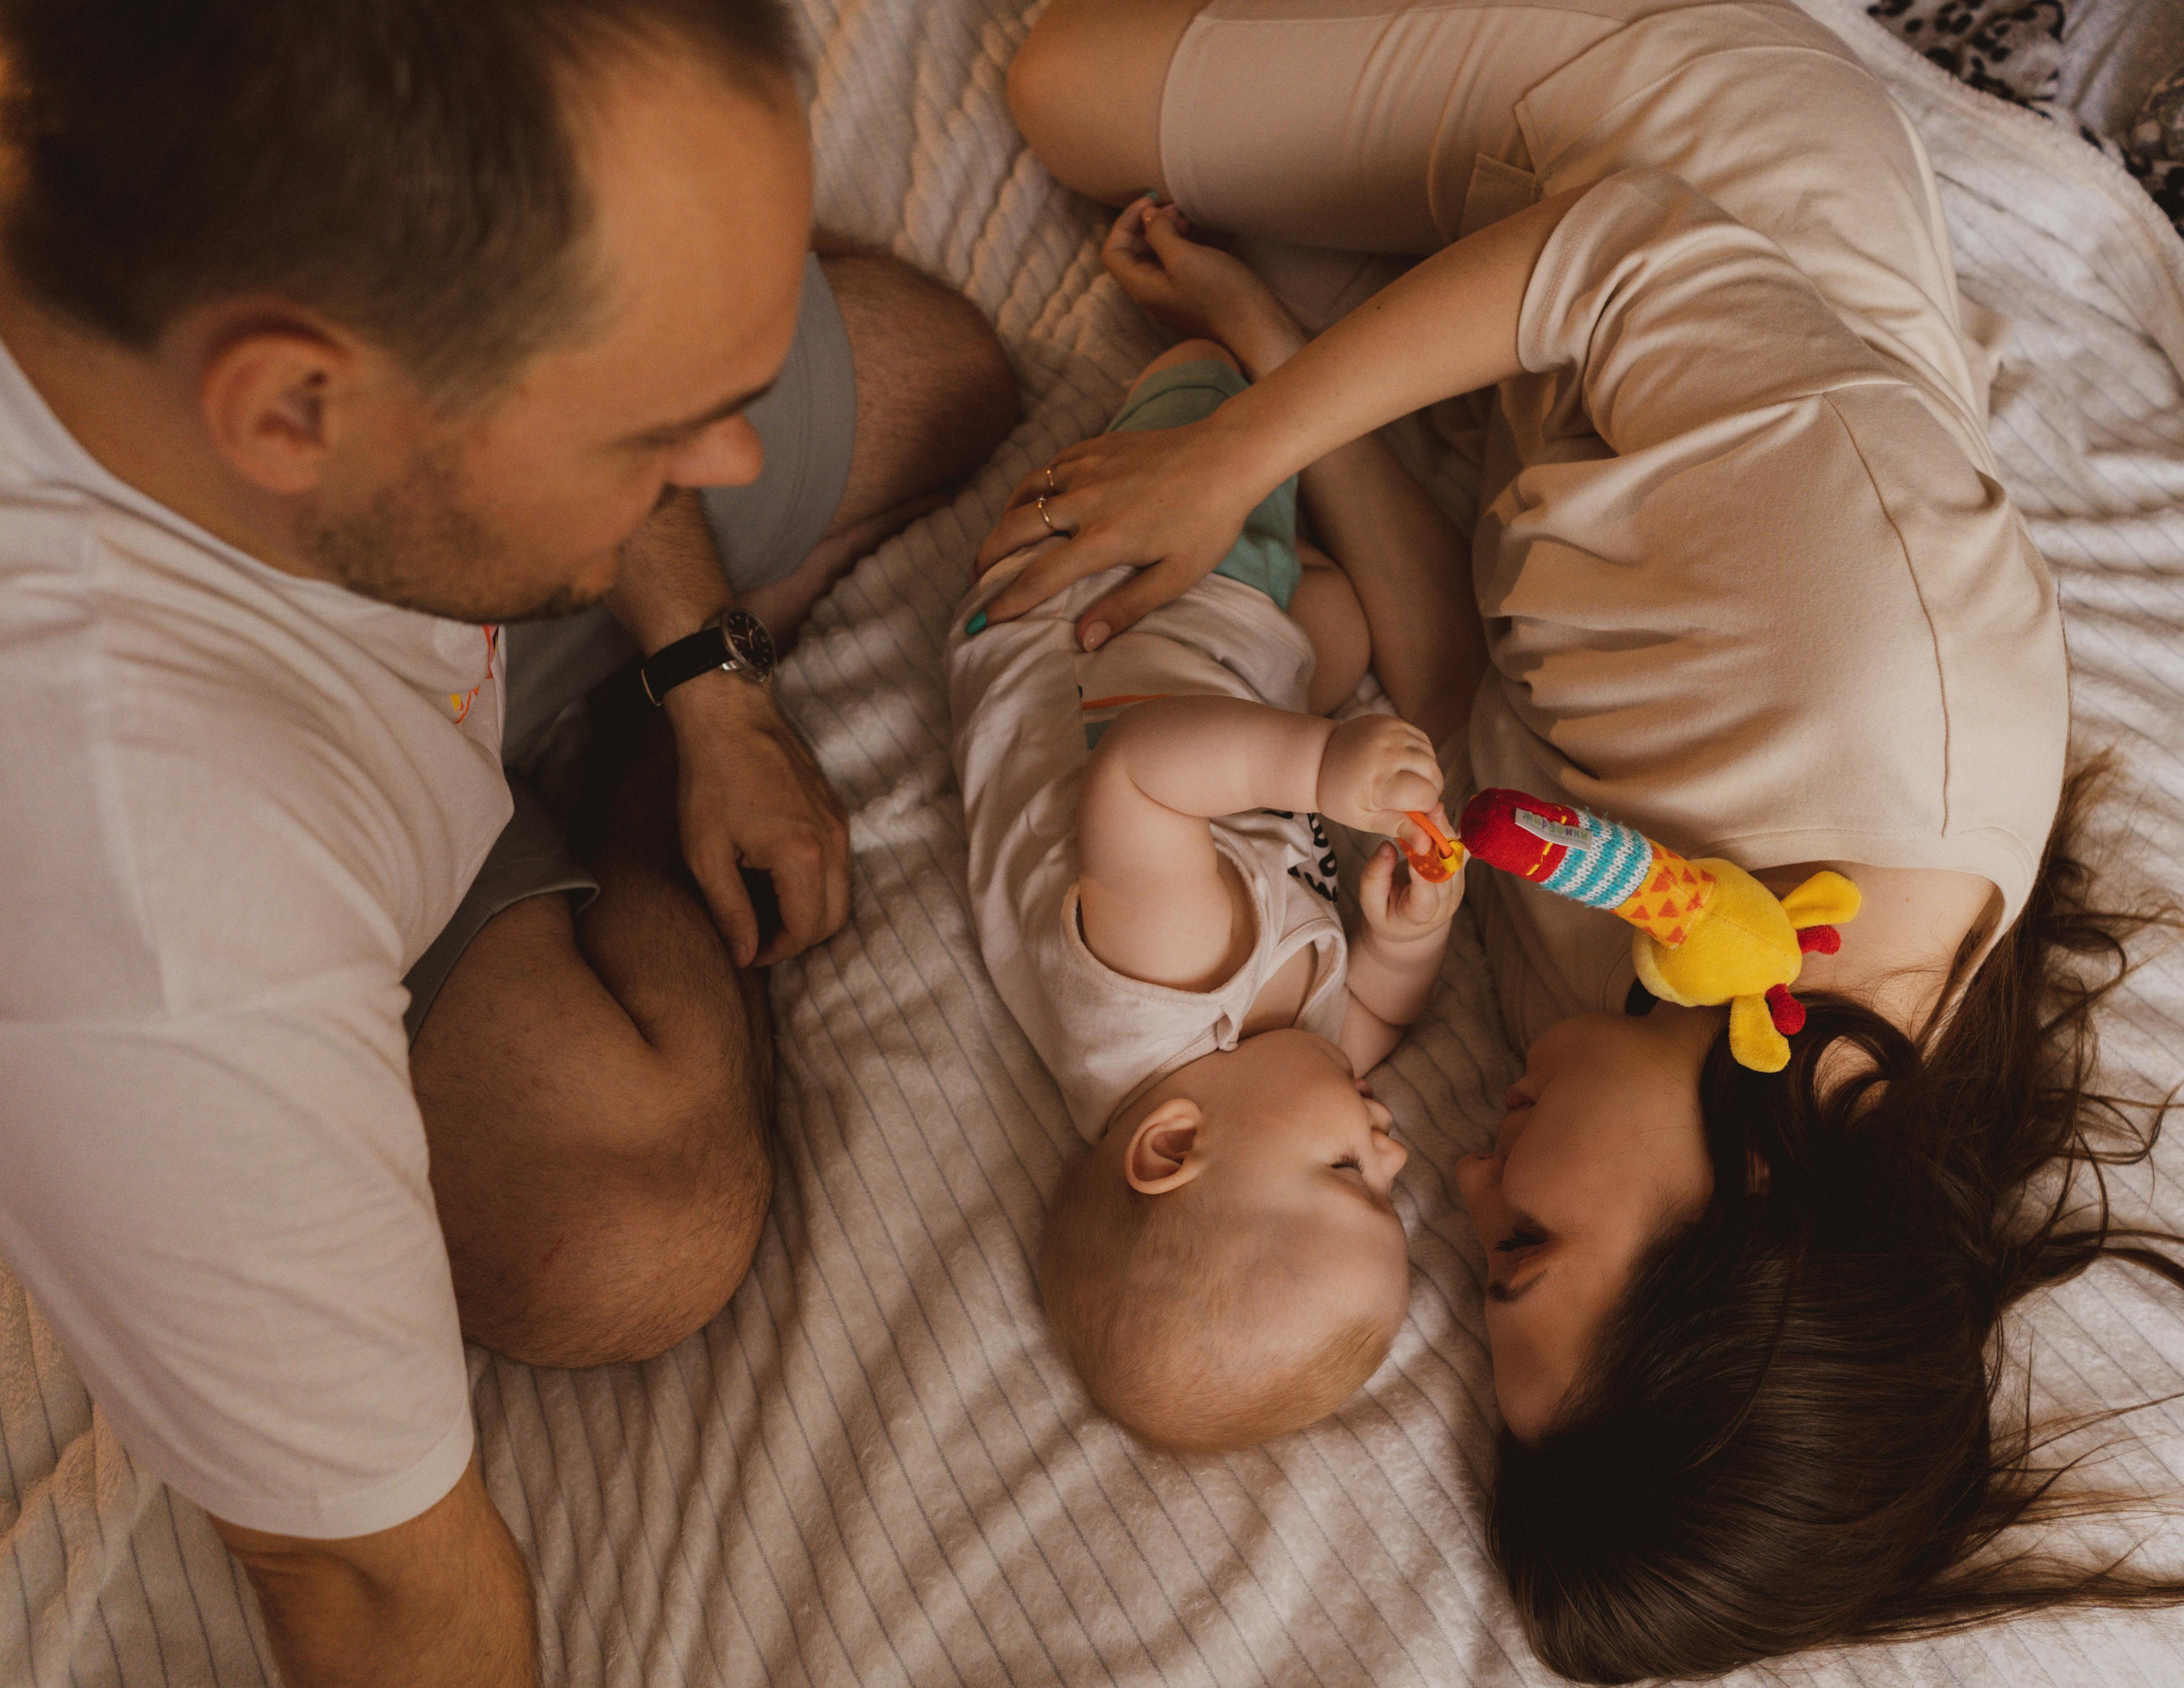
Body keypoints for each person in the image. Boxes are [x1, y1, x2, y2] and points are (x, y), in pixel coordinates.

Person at [989, 0, 2184, 1677]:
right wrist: (1234, 459)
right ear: (1751, 1197)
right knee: (1055, 91)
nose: (1464, 1174)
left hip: (1564, 380)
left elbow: (1469, 686)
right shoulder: (1863, 691)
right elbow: (1625, 249)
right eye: (1521, 1248)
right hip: (1656, 152)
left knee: (1186, 171)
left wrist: (1270, 350)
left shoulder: (1696, 1042)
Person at [0, 2, 1014, 1685]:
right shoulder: (152, 921)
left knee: (937, 375)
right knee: (626, 1234)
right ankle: (589, 762)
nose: (734, 454)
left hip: (407, 609)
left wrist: (709, 680)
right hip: (294, 794)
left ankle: (601, 643)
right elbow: (381, 1596)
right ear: (297, 404)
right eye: (650, 425)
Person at [951, 195, 1477, 1451]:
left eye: (1350, 1179)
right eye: (1386, 1188)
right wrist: (1407, 933)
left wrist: (1326, 769)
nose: (1397, 1160)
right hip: (1251, 667)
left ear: (1174, 1142)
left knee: (1199, 378)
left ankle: (1246, 335)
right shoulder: (1278, 1073)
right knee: (1415, 654)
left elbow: (1138, 777)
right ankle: (1299, 413)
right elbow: (1379, 1016)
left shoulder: (1158, 984)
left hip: (1091, 607)